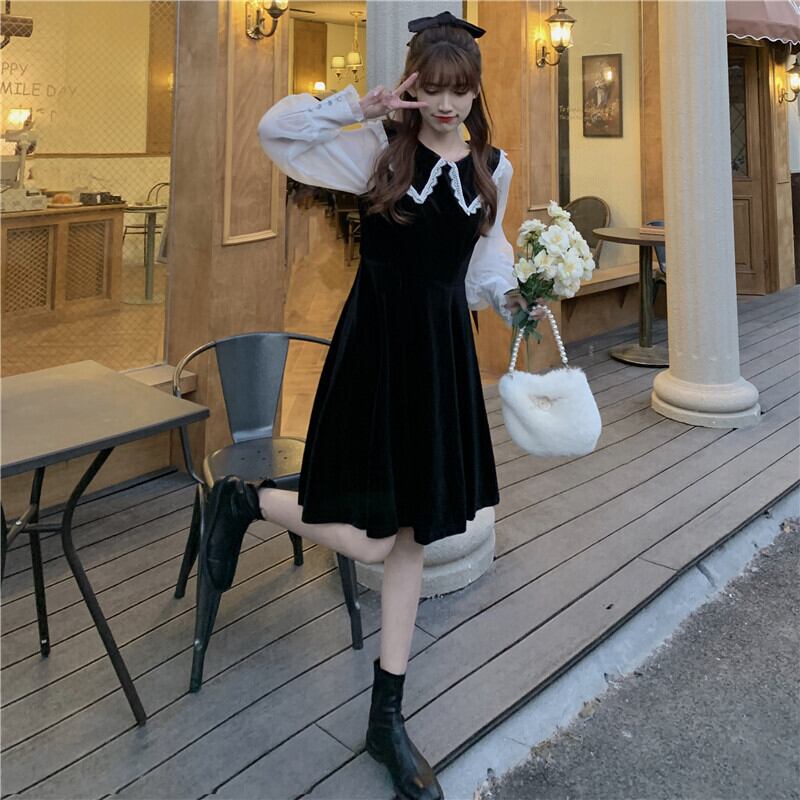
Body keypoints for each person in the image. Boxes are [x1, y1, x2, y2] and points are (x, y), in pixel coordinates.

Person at [202, 11, 544, 800]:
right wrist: (357, 105)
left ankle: (386, 716)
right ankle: (249, 501)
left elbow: (485, 262)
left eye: (461, 90)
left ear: (476, 91)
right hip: (375, 354)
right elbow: (274, 131)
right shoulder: (374, 151)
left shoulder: (493, 167)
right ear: (415, 85)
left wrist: (514, 298)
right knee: (370, 537)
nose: (448, 105)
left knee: (413, 536)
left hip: (441, 357)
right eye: (436, 88)